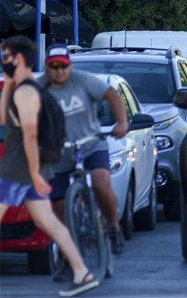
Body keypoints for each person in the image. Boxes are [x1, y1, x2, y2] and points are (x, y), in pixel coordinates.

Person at [0, 36, 99, 296]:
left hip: (19, 169)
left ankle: (81, 271)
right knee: (49, 222)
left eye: (6, 57)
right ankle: (82, 271)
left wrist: (33, 173)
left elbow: (30, 134)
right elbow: (5, 121)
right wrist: (7, 85)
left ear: (18, 59)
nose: (3, 61)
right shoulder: (22, 89)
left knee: (48, 221)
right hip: (25, 169)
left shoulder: (26, 93)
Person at [41, 45, 130, 256]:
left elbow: (112, 95)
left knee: (100, 183)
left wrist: (122, 122)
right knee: (59, 204)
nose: (59, 71)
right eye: (53, 66)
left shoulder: (82, 80)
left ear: (70, 66)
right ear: (46, 67)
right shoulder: (38, 88)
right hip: (58, 153)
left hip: (91, 144)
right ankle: (67, 249)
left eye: (63, 66)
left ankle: (113, 226)